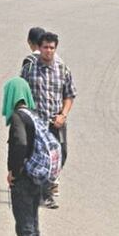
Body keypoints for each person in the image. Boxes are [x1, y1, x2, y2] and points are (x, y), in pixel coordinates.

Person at [20, 31, 76, 209]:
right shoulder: (29, 68)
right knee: (37, 156)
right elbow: (21, 92)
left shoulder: (62, 69)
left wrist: (63, 115)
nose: (48, 51)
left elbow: (69, 95)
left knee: (60, 155)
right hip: (36, 122)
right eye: (45, 47)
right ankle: (45, 194)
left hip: (55, 122)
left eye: (52, 48)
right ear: (40, 47)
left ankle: (46, 186)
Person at [1, 76, 42, 236]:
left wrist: (13, 172)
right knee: (33, 226)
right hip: (37, 178)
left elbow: (20, 144)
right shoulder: (34, 115)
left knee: (26, 227)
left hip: (24, 179)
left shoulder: (18, 117)